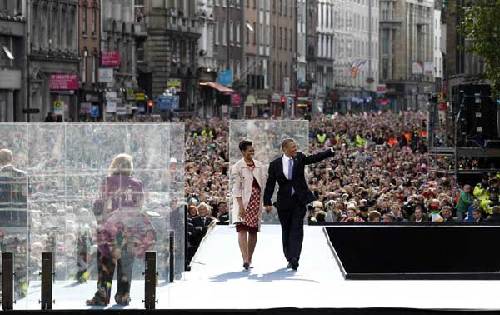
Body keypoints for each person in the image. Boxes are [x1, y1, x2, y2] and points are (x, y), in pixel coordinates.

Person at [87, 153, 154, 306]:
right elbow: (139, 206)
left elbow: (99, 204)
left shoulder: (107, 181)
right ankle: (123, 295)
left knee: (106, 263)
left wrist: (99, 220)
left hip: (109, 228)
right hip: (129, 230)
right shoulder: (137, 184)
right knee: (126, 265)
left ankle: (102, 296)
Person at [263, 138, 334, 271]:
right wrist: (267, 202)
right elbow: (270, 184)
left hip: (299, 200)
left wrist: (329, 152)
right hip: (283, 202)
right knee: (286, 229)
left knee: (297, 228)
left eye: (296, 146)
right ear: (284, 149)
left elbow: (313, 158)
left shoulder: (300, 158)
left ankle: (295, 257)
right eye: (292, 147)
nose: (295, 149)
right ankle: (289, 257)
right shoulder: (275, 164)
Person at [231, 140, 267, 270]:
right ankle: (244, 258)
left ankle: (250, 258)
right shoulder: (237, 166)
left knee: (253, 231)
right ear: (243, 151)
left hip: (256, 201)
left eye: (253, 150)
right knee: (241, 229)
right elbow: (236, 188)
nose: (252, 152)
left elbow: (264, 183)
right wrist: (240, 206)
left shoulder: (259, 166)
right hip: (242, 201)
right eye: (249, 150)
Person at [0, 149, 29, 300]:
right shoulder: (23, 175)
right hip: (20, 223)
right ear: (12, 158)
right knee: (19, 257)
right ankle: (21, 290)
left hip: (3, 223)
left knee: (4, 258)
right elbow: (27, 196)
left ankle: (5, 291)